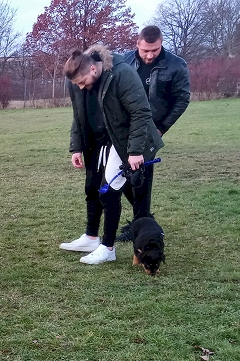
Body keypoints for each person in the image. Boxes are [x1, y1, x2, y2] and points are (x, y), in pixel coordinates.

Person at [57, 45, 165, 264]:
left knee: (110, 191)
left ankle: (108, 248)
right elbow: (78, 115)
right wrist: (76, 146)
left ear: (94, 71)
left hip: (125, 142)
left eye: (82, 82)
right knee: (94, 189)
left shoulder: (121, 73)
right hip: (99, 143)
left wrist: (134, 151)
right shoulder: (80, 81)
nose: (80, 87)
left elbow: (141, 112)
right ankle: (91, 238)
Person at [121, 25, 191, 220]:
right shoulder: (125, 61)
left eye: (155, 50)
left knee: (140, 177)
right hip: (123, 127)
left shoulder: (176, 65)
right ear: (137, 44)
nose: (150, 55)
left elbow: (182, 99)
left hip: (151, 129)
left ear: (161, 44)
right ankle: (143, 218)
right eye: (145, 50)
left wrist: (161, 128)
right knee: (119, 175)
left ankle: (141, 223)